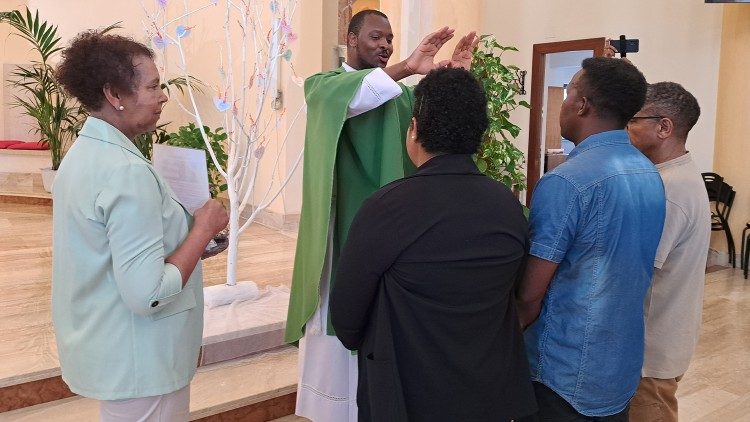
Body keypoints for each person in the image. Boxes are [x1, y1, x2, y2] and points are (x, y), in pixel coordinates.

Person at [283, 9, 478, 421]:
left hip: (396, 235)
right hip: (342, 236)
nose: (385, 45)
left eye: (390, 38)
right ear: (351, 39)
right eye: (376, 36)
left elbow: (441, 130)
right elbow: (357, 97)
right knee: (340, 325)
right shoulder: (324, 87)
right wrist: (408, 66)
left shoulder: (403, 96)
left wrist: (453, 79)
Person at [329, 67, 537, 422]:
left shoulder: (387, 208)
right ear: (480, 136)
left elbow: (347, 318)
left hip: (406, 395)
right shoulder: (508, 206)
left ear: (414, 130)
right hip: (489, 393)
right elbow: (514, 296)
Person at [52, 31, 228, 421]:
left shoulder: (83, 155)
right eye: (153, 86)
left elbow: (107, 251)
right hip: (142, 360)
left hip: (109, 344)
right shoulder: (126, 172)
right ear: (115, 95)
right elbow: (147, 294)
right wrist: (201, 229)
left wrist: (195, 239)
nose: (163, 96)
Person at [516, 57, 666, 421]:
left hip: (564, 373)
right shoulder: (650, 173)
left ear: (581, 104)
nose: (564, 103)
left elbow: (530, 295)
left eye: (569, 93)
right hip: (619, 365)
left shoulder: (566, 182)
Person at [626, 82, 711, 422]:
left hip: (653, 352)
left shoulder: (668, 189)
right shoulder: (678, 174)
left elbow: (637, 270)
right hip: (665, 339)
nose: (626, 127)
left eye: (634, 119)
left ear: (664, 127)